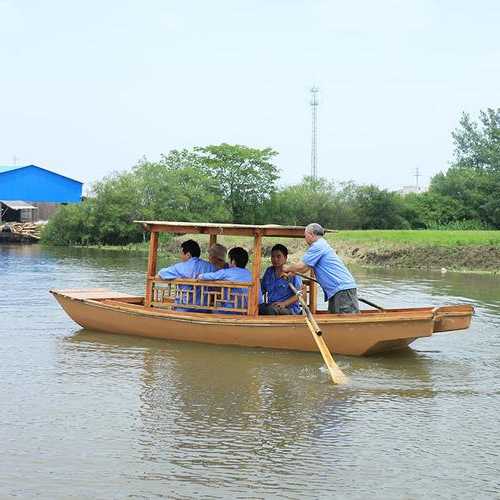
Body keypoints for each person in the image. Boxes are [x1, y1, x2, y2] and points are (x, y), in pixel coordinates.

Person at [282, 223, 359, 314]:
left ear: (311, 234)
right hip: (337, 290)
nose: (305, 238)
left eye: (305, 235)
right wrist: (292, 273)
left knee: (346, 321)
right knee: (334, 320)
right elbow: (305, 269)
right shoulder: (321, 245)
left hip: (342, 289)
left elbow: (301, 266)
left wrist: (286, 268)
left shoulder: (318, 246)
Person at [198, 247, 263, 314]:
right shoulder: (252, 275)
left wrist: (200, 275)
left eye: (229, 259)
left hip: (233, 311)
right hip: (251, 311)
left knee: (213, 309)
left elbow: (204, 276)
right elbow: (260, 300)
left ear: (233, 261)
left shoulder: (227, 272)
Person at [157, 239, 215, 311]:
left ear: (188, 254)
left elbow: (161, 273)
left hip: (184, 308)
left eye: (181, 253)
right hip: (204, 308)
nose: (180, 256)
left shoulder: (180, 267)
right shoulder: (210, 267)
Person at [259, 244, 302, 315]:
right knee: (258, 308)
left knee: (270, 310)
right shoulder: (269, 271)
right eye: (273, 256)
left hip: (288, 309)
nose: (275, 259)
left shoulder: (292, 272)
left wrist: (284, 303)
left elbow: (300, 293)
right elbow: (261, 290)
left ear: (285, 258)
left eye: (278, 256)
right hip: (271, 306)